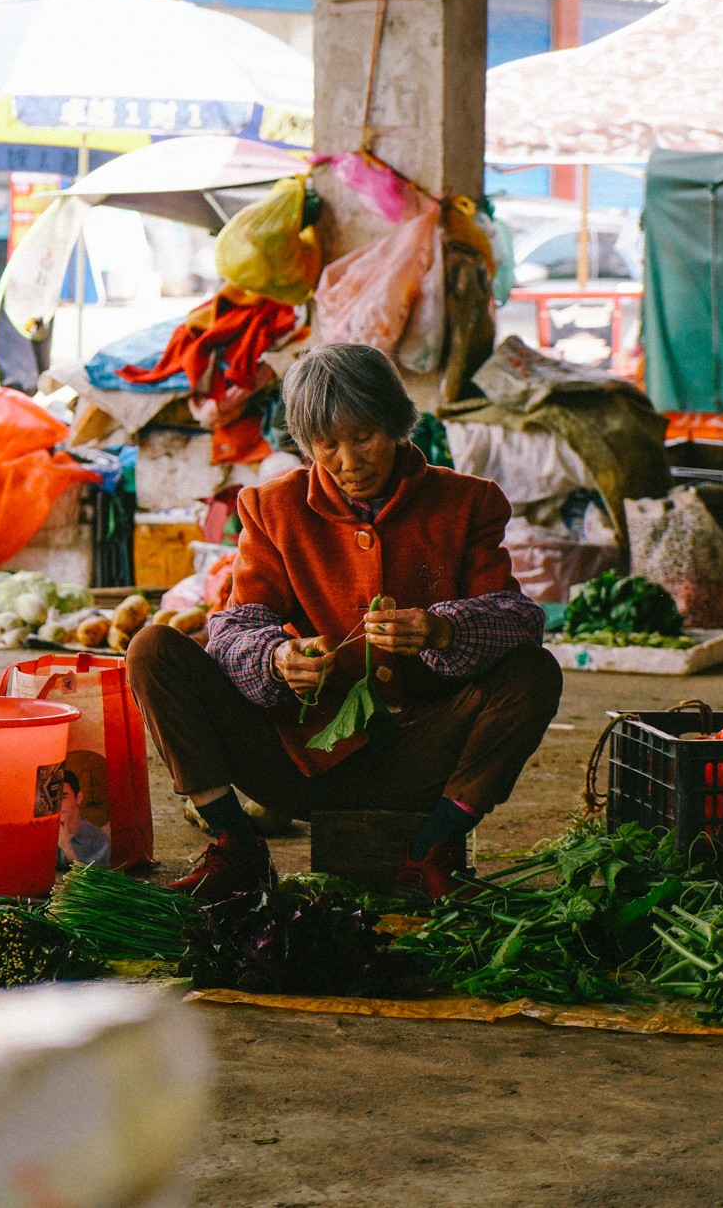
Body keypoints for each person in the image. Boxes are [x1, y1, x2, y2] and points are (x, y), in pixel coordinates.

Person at [127, 343, 562, 901]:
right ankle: (237, 847)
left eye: (364, 437)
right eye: (327, 445)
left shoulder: (468, 503)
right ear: (306, 446)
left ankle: (434, 850)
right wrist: (278, 659)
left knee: (533, 671)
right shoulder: (270, 508)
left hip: (424, 756)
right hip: (298, 763)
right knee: (152, 650)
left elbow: (520, 620)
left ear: (398, 425)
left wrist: (443, 629)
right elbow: (235, 627)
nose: (350, 462)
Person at [56, 766, 111, 870]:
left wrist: (66, 846)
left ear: (79, 797)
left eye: (64, 797)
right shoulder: (43, 837)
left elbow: (92, 878)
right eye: (54, 799)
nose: (58, 805)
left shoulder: (99, 841)